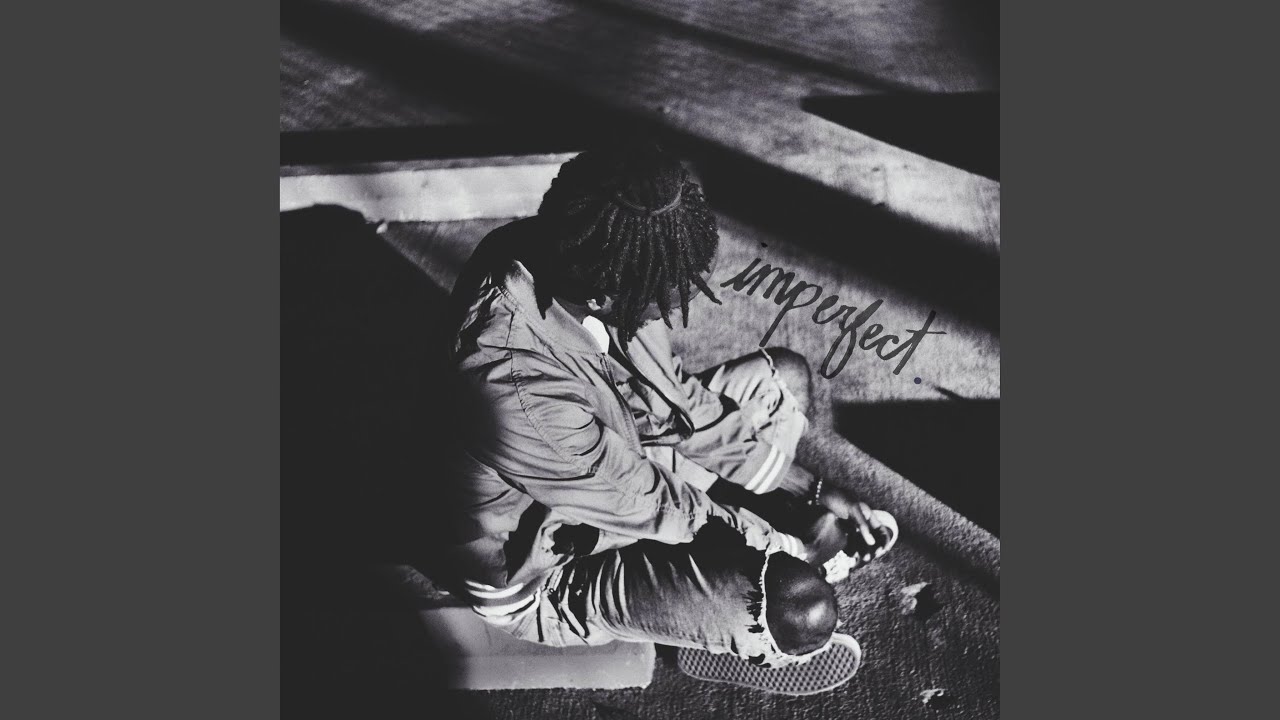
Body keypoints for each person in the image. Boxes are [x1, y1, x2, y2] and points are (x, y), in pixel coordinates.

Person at [440, 139, 897, 691]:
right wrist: (790, 546)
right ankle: (720, 621)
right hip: (553, 567)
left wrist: (812, 488)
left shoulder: (582, 253)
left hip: (618, 462)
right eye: (668, 296)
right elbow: (651, 503)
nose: (681, 304)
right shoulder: (515, 388)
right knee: (802, 610)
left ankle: (705, 589)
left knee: (784, 380)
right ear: (606, 298)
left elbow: (670, 401)